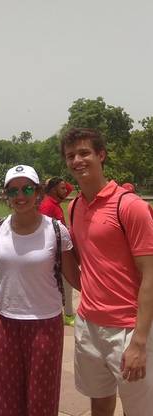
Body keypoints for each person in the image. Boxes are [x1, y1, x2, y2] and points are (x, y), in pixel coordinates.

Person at [60, 128, 153, 416]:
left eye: (85, 152)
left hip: (127, 327)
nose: (78, 160)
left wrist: (139, 341)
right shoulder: (75, 208)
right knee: (99, 402)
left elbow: (150, 274)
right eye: (71, 155)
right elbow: (80, 268)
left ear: (101, 155)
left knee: (138, 409)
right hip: (89, 324)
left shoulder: (129, 206)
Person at [0, 164, 80, 416]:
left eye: (27, 188)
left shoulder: (54, 230)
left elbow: (75, 276)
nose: (20, 196)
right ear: (5, 195)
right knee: (7, 399)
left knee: (42, 400)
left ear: (38, 192)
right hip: (5, 320)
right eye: (13, 190)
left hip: (45, 322)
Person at [39, 176, 76, 326]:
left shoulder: (55, 202)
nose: (65, 191)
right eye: (61, 188)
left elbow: (70, 188)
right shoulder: (47, 205)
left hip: (61, 252)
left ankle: (66, 314)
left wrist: (55, 182)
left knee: (66, 286)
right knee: (66, 285)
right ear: (54, 190)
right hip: (55, 254)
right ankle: (67, 315)